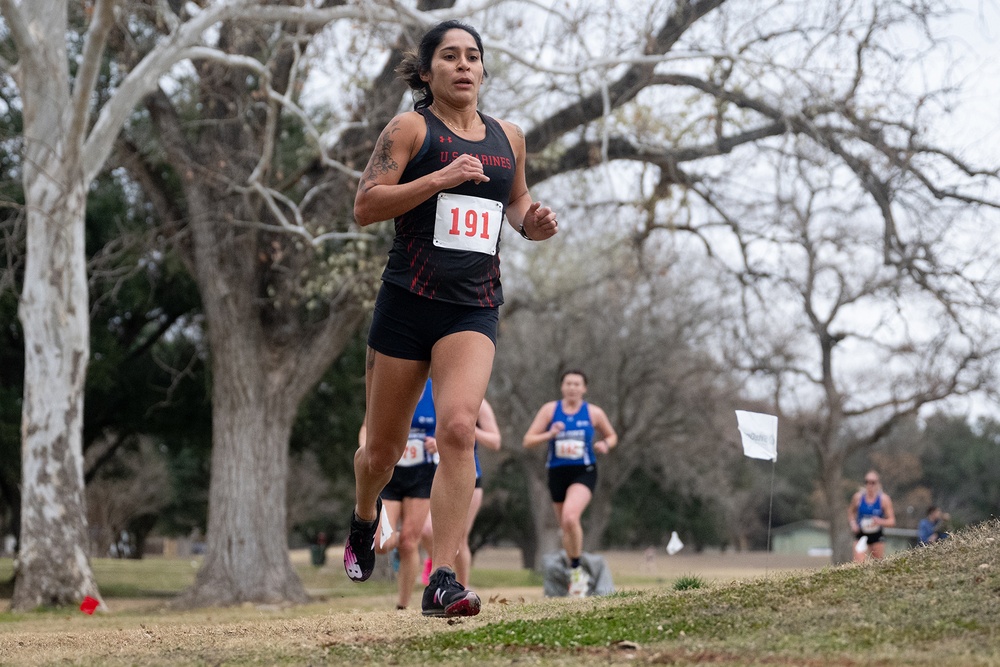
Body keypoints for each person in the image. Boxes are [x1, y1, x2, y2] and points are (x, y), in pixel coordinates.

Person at [345, 19, 558, 619]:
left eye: (473, 57)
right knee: (381, 454)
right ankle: (364, 518)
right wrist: (438, 178)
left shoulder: (508, 137)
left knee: (459, 429)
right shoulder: (411, 128)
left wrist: (530, 222)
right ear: (428, 70)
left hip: (473, 306)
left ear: (483, 70)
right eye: (450, 57)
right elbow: (364, 205)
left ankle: (443, 579)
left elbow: (513, 199)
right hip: (407, 304)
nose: (464, 66)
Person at [523, 370, 618, 597]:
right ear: (562, 386)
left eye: (577, 384)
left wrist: (606, 444)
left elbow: (612, 436)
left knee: (570, 517)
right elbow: (528, 440)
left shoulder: (593, 412)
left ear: (584, 388)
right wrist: (550, 434)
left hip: (583, 472)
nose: (572, 387)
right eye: (568, 383)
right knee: (565, 527)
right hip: (557, 472)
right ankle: (573, 569)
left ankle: (577, 573)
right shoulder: (550, 411)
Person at [357, 378, 437, 610]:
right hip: (391, 474)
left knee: (409, 544)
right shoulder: (392, 384)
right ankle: (402, 533)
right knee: (382, 544)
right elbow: (366, 427)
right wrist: (367, 449)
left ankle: (402, 605)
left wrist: (438, 442)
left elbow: (451, 425)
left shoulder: (436, 390)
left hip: (422, 475)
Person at [420, 398, 502, 587]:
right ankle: (436, 562)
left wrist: (468, 428)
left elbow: (495, 441)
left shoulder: (478, 401)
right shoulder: (427, 395)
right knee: (426, 531)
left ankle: (461, 588)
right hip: (431, 476)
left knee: (460, 538)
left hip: (469, 478)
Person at [848, 470, 896, 562]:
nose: (870, 485)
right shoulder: (858, 497)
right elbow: (851, 512)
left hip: (876, 535)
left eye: (873, 482)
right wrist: (853, 524)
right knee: (858, 562)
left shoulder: (884, 499)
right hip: (861, 533)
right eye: (867, 482)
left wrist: (880, 521)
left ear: (878, 484)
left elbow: (892, 521)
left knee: (877, 563)